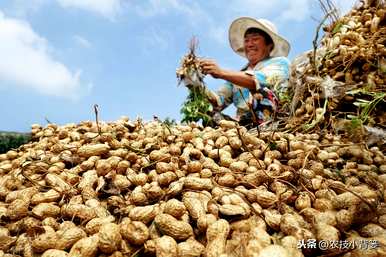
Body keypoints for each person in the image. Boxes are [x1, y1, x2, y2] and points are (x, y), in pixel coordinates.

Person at [197, 17, 291, 126]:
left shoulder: (281, 63)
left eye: (255, 39)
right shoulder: (238, 75)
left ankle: (260, 127)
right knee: (209, 114)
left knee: (261, 94)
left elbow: (258, 80)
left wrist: (221, 73)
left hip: (271, 120)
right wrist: (196, 84)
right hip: (242, 124)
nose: (249, 44)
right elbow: (218, 101)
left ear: (269, 45)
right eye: (246, 40)